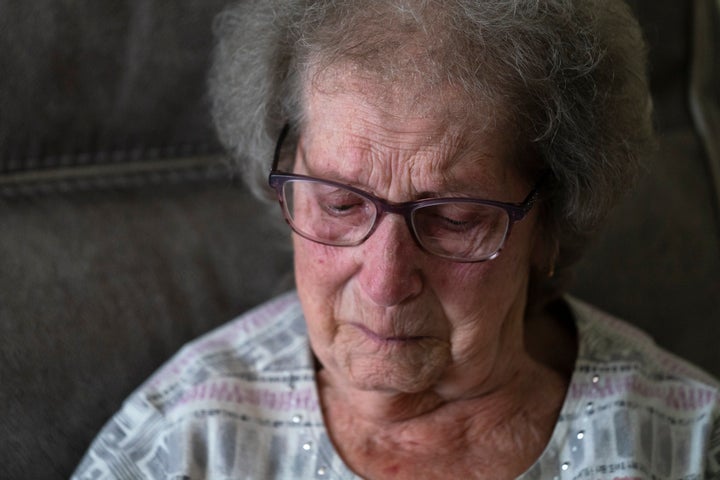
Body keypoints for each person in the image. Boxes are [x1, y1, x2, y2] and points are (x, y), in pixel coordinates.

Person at [72, 0, 720, 478]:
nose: (385, 280)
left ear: (550, 222)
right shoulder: (184, 442)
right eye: (341, 203)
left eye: (453, 218)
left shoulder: (687, 444)